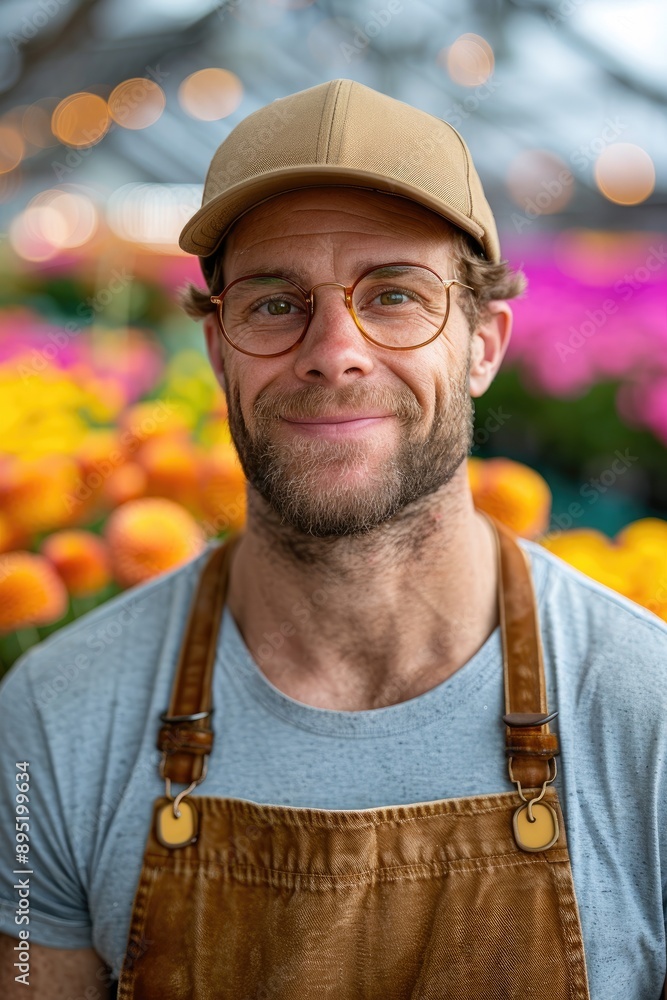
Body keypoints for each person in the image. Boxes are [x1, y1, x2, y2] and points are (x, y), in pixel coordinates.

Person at [0, 78, 666, 999]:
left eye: (394, 295)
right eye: (274, 303)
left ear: (482, 345)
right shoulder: (59, 714)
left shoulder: (647, 712)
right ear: (219, 349)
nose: (333, 348)